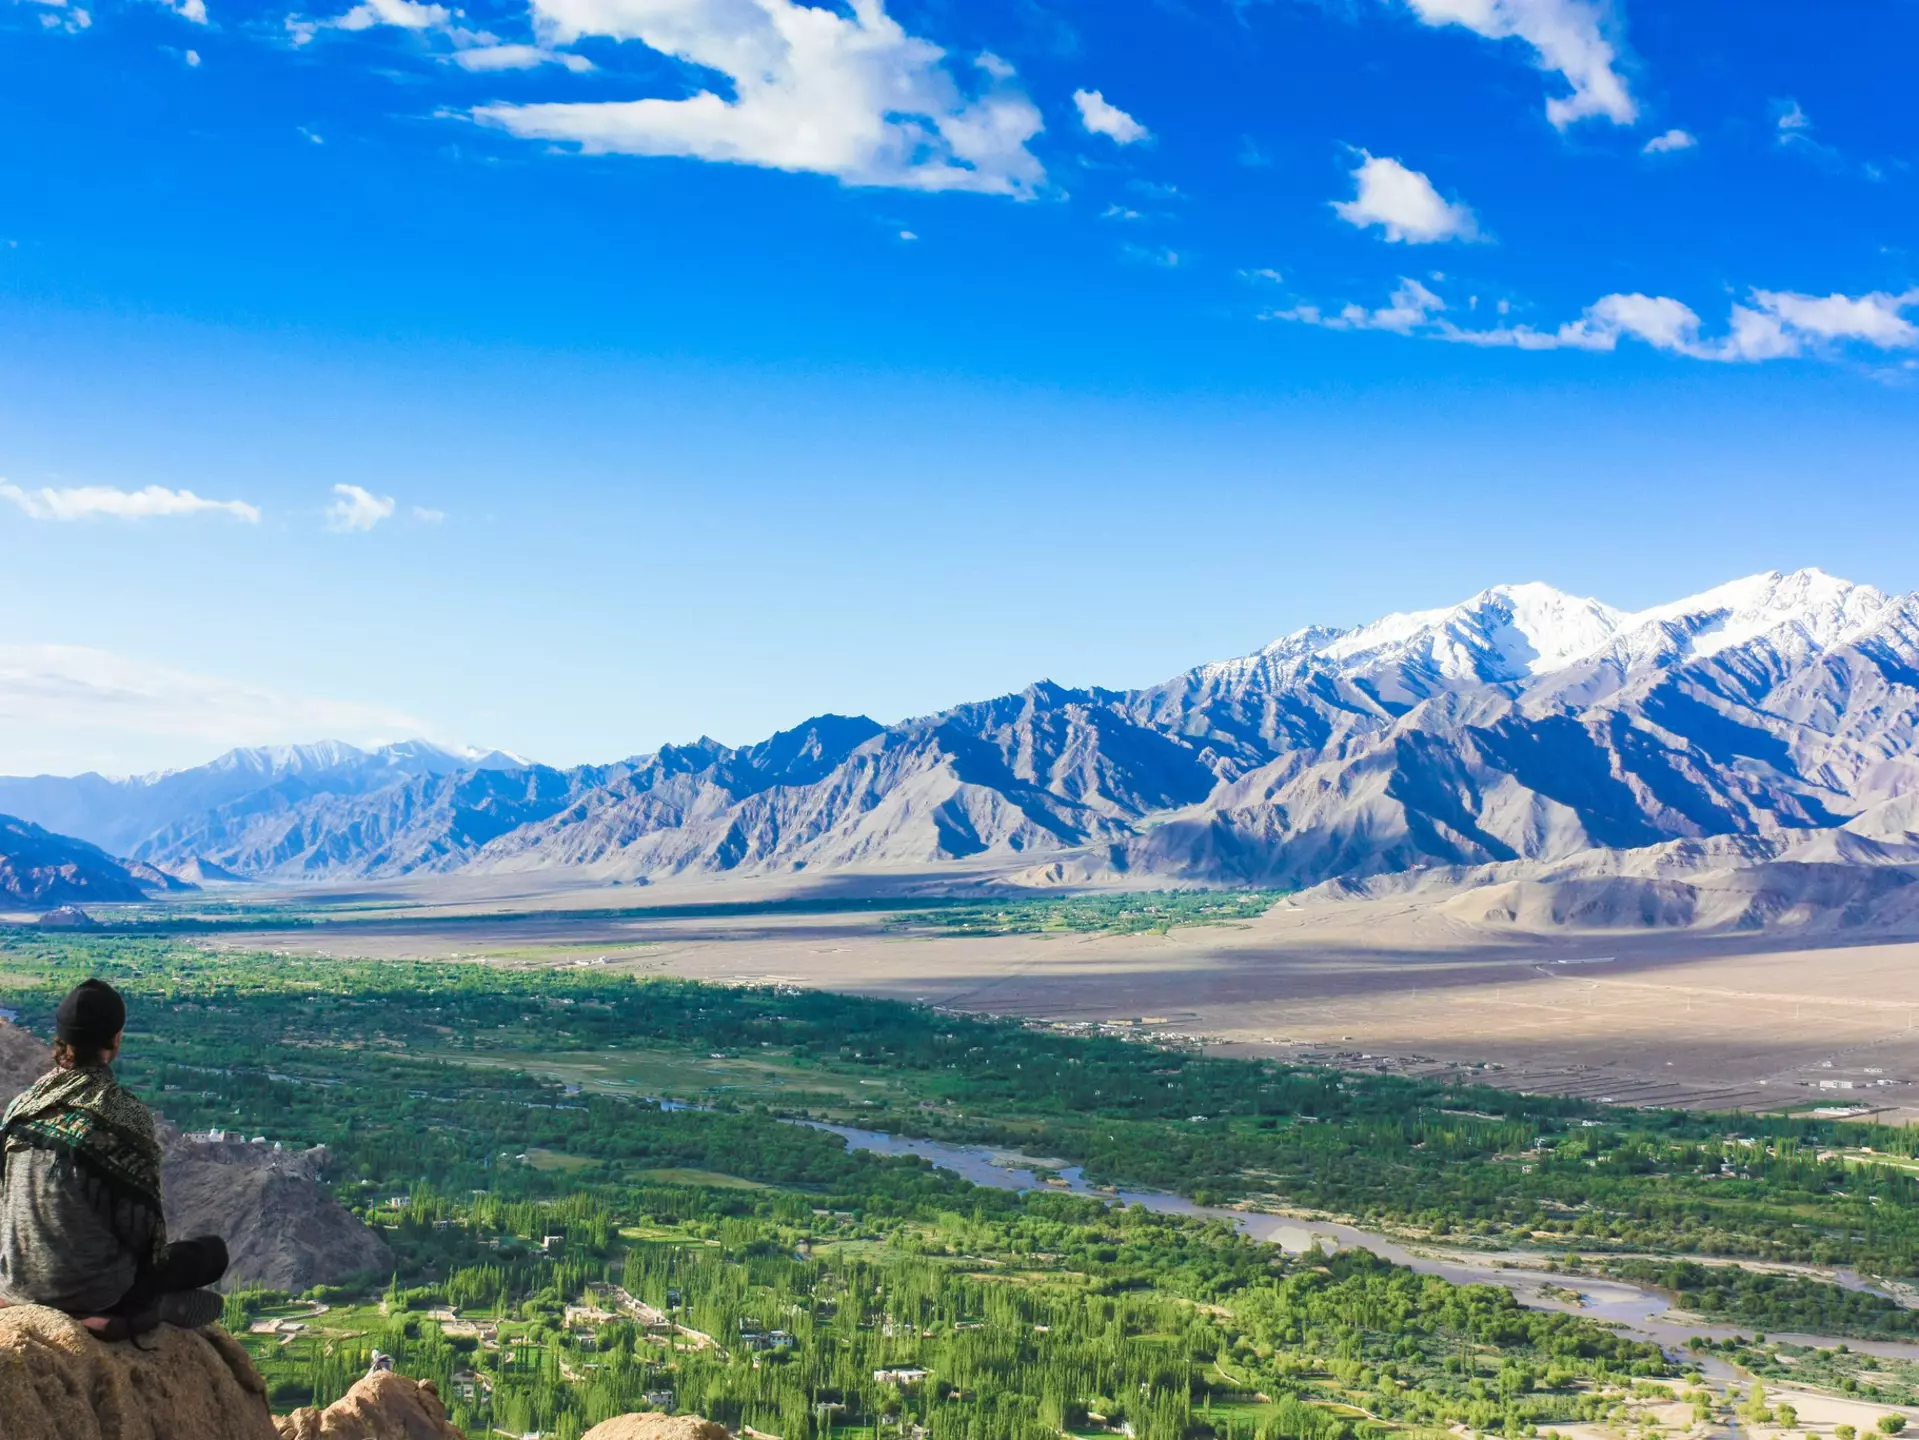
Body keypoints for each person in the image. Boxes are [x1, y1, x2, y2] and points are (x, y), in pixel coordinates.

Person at [0, 978, 228, 1340]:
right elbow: (143, 1232)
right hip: (94, 1291)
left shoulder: (20, 1108)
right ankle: (143, 1308)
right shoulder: (120, 1114)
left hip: (17, 1283)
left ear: (62, 1039)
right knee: (211, 1253)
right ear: (115, 1039)